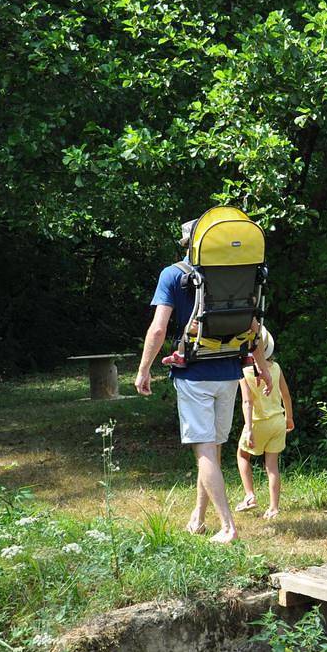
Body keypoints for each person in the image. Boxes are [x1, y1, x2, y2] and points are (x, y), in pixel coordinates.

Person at [135, 219, 272, 544]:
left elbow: (157, 329)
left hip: (194, 374)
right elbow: (252, 326)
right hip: (229, 372)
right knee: (213, 449)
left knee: (205, 451)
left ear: (189, 244)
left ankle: (228, 527)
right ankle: (198, 519)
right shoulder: (237, 276)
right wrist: (263, 366)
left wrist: (143, 369)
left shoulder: (173, 275)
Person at [235, 330, 293, 519]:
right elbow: (286, 394)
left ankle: (250, 495)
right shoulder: (275, 368)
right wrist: (289, 418)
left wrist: (249, 429)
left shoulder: (242, 372)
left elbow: (247, 402)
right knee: (272, 466)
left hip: (258, 422)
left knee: (243, 455)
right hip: (278, 421)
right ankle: (274, 508)